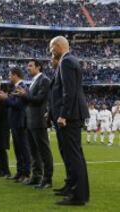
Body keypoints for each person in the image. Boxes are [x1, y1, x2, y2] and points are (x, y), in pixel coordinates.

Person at [48, 36, 90, 206]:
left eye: (51, 48)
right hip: (73, 114)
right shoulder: (69, 60)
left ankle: (78, 196)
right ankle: (76, 190)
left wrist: (64, 114)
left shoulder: (66, 62)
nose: (51, 51)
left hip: (70, 116)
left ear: (58, 46)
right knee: (74, 155)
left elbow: (69, 91)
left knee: (74, 156)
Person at [15, 59, 53, 189]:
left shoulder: (45, 80)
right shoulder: (34, 81)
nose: (28, 68)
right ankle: (36, 177)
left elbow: (39, 100)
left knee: (44, 151)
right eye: (27, 66)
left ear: (38, 67)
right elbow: (30, 101)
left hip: (39, 121)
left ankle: (47, 179)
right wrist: (23, 95)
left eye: (30, 66)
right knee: (34, 152)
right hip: (30, 121)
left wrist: (25, 95)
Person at [0, 68, 31, 183]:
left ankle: (26, 174)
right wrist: (6, 98)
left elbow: (18, 105)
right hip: (15, 122)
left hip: (20, 122)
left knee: (23, 149)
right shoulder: (16, 87)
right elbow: (13, 103)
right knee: (18, 149)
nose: (9, 77)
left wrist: (6, 99)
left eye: (10, 75)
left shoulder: (22, 87)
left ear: (16, 75)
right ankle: (20, 172)